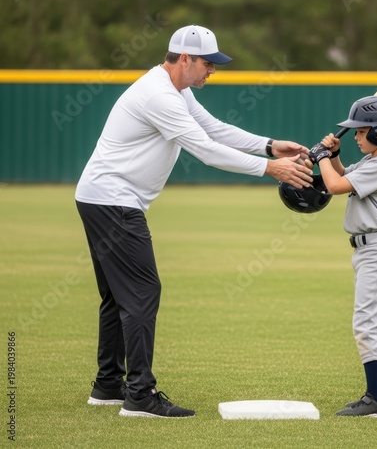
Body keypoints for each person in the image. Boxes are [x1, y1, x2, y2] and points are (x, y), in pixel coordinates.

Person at [75, 24, 313, 419]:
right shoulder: (160, 96)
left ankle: (107, 386)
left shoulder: (175, 90)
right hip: (113, 201)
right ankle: (139, 394)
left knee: (118, 297)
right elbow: (205, 149)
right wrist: (271, 168)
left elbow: (214, 129)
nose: (212, 71)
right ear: (183, 59)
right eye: (207, 63)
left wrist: (269, 144)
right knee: (142, 293)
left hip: (101, 198)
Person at [307, 95, 377, 418]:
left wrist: (320, 156)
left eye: (362, 132)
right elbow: (344, 176)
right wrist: (333, 155)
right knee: (373, 324)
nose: (358, 137)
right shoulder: (372, 162)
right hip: (371, 250)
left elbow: (334, 186)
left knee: (366, 325)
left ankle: (376, 401)